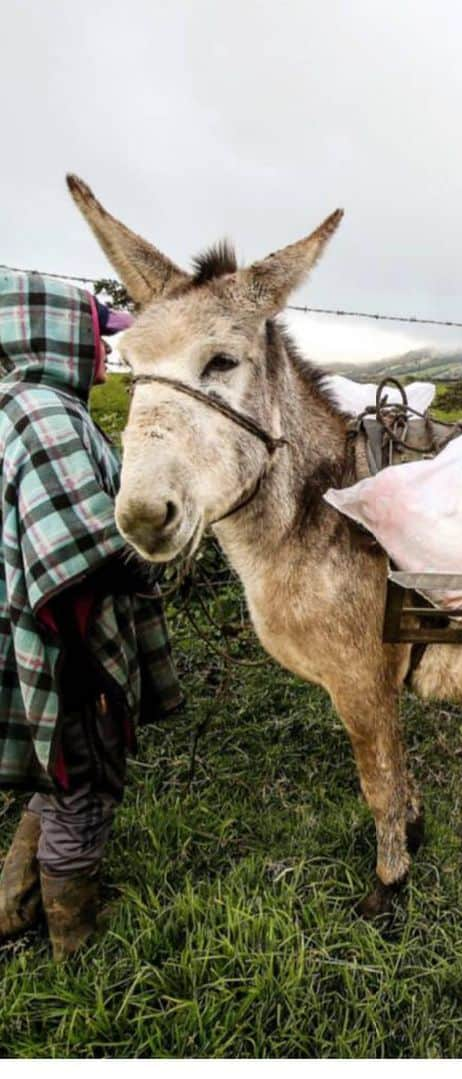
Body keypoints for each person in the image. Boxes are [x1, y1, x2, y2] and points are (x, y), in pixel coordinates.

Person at [0, 271, 181, 960]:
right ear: (52, 336)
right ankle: (76, 948)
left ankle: (14, 906)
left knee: (57, 776)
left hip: (40, 643)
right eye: (95, 338)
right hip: (70, 648)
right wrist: (154, 550)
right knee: (83, 783)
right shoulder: (50, 418)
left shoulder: (19, 401)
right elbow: (78, 558)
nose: (105, 353)